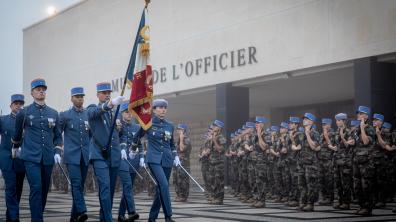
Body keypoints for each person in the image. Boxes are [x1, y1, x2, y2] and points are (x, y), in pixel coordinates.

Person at [12, 78, 63, 222]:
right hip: (31, 158)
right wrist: (16, 147)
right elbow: (16, 134)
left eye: (43, 89)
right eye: (38, 89)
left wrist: (58, 152)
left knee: (45, 190)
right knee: (36, 188)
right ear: (32, 93)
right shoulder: (25, 112)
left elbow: (58, 137)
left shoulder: (53, 113)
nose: (41, 91)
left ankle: (37, 215)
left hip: (47, 158)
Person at [133, 99, 179, 222]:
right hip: (154, 159)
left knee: (161, 189)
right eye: (160, 107)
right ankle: (168, 216)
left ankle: (152, 217)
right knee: (164, 185)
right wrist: (134, 148)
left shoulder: (170, 125)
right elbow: (137, 136)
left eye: (165, 107)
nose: (163, 109)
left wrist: (175, 155)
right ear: (153, 110)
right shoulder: (148, 123)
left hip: (167, 160)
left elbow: (172, 144)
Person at [87, 82, 124, 222]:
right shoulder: (93, 108)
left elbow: (118, 134)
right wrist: (108, 104)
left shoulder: (115, 113)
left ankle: (104, 217)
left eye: (109, 93)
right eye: (104, 93)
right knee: (105, 187)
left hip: (113, 155)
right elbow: (93, 113)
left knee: (111, 190)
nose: (107, 95)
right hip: (99, 154)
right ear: (98, 95)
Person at [59, 87, 90, 222]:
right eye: (77, 97)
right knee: (76, 184)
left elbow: (93, 135)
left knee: (80, 186)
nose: (80, 99)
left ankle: (73, 217)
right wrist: (57, 148)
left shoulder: (88, 114)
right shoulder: (65, 115)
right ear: (72, 98)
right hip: (71, 156)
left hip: (85, 155)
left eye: (82, 97)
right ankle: (82, 211)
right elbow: (57, 133)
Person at [0, 94, 26, 222]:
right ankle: (15, 217)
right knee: (10, 188)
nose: (19, 106)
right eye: (16, 104)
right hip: (7, 159)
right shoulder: (3, 120)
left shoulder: (27, 121)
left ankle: (10, 216)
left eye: (21, 104)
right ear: (11, 105)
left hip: (21, 161)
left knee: (19, 189)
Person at [117, 102, 142, 222]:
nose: (129, 114)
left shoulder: (136, 127)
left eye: (131, 112)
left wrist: (141, 157)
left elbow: (140, 144)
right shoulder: (118, 126)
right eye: (127, 112)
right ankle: (132, 211)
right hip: (122, 160)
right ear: (121, 113)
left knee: (128, 188)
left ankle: (121, 215)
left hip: (133, 161)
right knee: (127, 186)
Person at [173, 123, 192, 202]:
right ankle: (179, 195)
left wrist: (181, 139)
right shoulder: (178, 140)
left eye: (180, 129)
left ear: (183, 130)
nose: (178, 131)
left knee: (183, 180)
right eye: (178, 129)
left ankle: (183, 196)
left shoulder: (186, 139)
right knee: (176, 179)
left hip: (184, 163)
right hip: (177, 163)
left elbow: (182, 149)